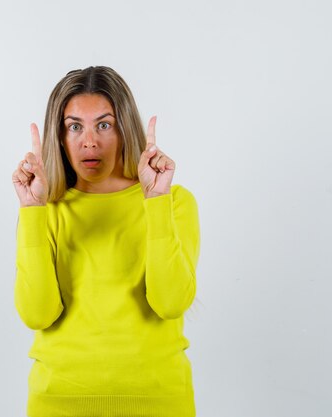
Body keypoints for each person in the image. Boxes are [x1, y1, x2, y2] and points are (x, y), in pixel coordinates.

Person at [12, 66, 200, 417]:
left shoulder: (174, 202)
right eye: (74, 126)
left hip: (160, 404)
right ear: (60, 135)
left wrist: (156, 202)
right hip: (58, 404)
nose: (89, 141)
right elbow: (37, 314)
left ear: (125, 127)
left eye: (104, 124)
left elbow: (170, 303)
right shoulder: (45, 208)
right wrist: (32, 210)